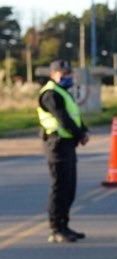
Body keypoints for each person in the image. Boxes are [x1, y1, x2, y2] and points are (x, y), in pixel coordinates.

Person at [37, 59, 89, 243]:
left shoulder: (62, 92)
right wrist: (80, 134)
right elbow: (63, 118)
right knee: (59, 187)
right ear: (53, 75)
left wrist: (83, 130)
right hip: (56, 144)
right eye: (63, 74)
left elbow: (74, 116)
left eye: (68, 73)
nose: (67, 76)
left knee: (69, 188)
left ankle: (64, 225)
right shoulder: (50, 94)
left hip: (67, 144)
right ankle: (55, 229)